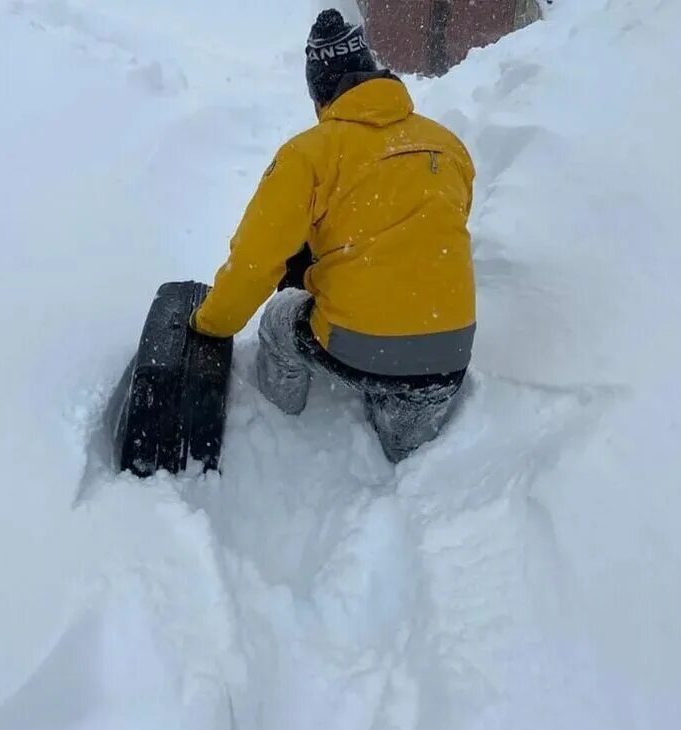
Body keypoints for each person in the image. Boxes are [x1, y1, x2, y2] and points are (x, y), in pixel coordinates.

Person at [191, 9, 476, 463]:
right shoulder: (446, 144)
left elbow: (254, 264)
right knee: (410, 452)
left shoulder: (309, 155)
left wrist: (210, 324)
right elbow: (439, 227)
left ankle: (282, 425)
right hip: (447, 351)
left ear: (320, 92)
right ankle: (405, 462)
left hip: (357, 344)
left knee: (280, 317)